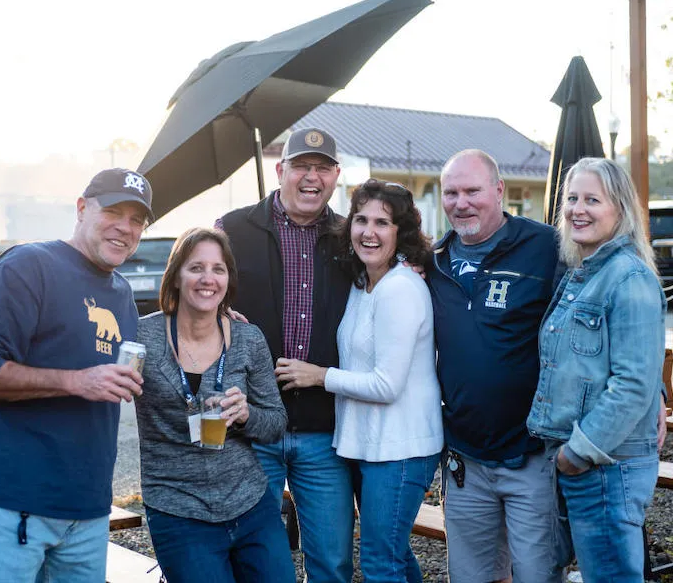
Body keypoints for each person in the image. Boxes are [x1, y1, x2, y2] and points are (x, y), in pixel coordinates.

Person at [0, 168, 152, 583]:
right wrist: (76, 381)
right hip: (12, 502)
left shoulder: (122, 294)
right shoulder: (30, 264)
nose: (125, 227)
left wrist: (224, 320)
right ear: (81, 208)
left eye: (137, 220)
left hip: (87, 509)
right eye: (114, 211)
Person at [276, 179, 444, 582]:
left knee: (379, 562)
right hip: (372, 445)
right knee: (394, 556)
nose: (369, 232)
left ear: (400, 233)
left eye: (383, 223)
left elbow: (387, 385)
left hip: (401, 448)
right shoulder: (362, 283)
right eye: (361, 220)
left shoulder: (400, 288)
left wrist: (319, 377)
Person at [215, 127, 355, 582]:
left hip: (324, 431)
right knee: (255, 559)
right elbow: (195, 288)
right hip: (253, 427)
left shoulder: (351, 238)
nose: (311, 177)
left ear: (335, 176)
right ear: (281, 171)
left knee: (331, 561)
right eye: (301, 166)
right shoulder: (232, 229)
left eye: (321, 168)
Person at [427, 149, 564, 583]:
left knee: (537, 576)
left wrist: (654, 390)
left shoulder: (546, 247)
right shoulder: (432, 262)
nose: (461, 202)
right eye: (451, 192)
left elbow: (604, 310)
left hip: (532, 454)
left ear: (499, 190)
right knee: (472, 578)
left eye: (473, 190)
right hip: (465, 459)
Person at [527, 157, 666, 582]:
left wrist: (578, 454)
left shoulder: (629, 279)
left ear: (620, 210)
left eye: (592, 199)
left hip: (605, 465)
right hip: (576, 459)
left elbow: (634, 385)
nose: (577, 209)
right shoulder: (582, 273)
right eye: (571, 198)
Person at [135, 227, 295, 583]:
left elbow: (276, 422)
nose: (208, 279)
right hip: (178, 509)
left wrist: (247, 415)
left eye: (218, 269)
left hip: (251, 504)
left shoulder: (247, 338)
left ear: (228, 279)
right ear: (175, 276)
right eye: (196, 268)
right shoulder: (142, 337)